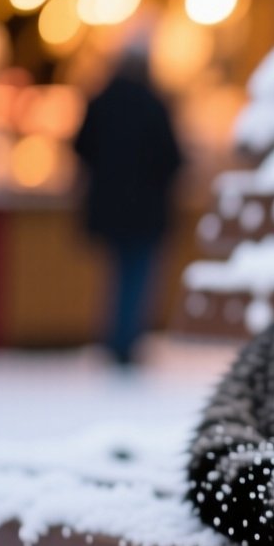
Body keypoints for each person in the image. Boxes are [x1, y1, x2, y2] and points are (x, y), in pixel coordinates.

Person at [73, 46, 183, 368]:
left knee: (115, 274)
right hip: (147, 209)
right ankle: (127, 341)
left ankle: (113, 338)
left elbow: (81, 148)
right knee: (137, 276)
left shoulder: (100, 101)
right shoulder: (155, 105)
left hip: (109, 206)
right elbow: (172, 158)